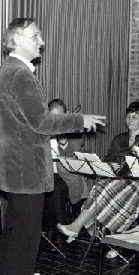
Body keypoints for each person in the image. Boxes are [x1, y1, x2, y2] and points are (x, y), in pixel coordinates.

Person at [0, 17, 105, 275]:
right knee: (25, 241)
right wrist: (79, 120)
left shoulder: (6, 71)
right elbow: (41, 122)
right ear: (17, 39)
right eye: (35, 36)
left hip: (15, 169)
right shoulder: (20, 75)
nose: (41, 42)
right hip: (26, 170)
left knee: (15, 239)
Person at [58, 102, 139, 247]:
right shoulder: (119, 139)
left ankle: (77, 227)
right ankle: (110, 239)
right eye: (128, 116)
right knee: (100, 185)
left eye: (135, 117)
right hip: (116, 181)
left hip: (138, 185)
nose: (130, 120)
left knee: (102, 187)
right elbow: (108, 160)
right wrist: (109, 165)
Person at [43, 99, 89, 232]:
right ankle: (42, 230)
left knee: (55, 188)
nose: (56, 120)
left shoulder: (76, 131)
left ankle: (61, 231)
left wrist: (63, 140)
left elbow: (72, 155)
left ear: (66, 114)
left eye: (59, 117)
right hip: (45, 174)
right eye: (52, 117)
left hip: (68, 176)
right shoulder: (43, 130)